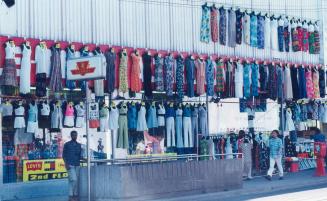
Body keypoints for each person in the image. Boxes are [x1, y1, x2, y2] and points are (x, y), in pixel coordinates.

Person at [63, 131, 82, 201]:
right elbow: (63, 155)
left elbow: (80, 155)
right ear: (71, 136)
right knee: (74, 179)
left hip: (77, 164)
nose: (75, 137)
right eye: (73, 135)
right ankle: (72, 194)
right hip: (70, 164)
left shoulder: (79, 145)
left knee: (72, 180)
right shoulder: (67, 144)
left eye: (76, 135)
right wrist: (66, 164)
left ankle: (72, 195)